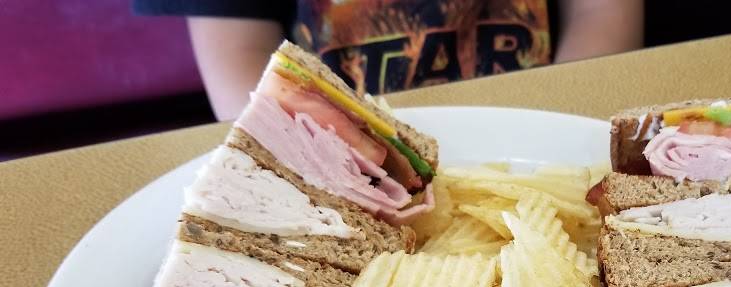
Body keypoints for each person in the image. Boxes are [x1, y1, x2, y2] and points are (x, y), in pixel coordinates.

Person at [136, 0, 643, 121]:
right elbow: (239, 59)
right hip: (334, 137)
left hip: (536, 113)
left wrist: (552, 127)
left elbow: (602, 15)